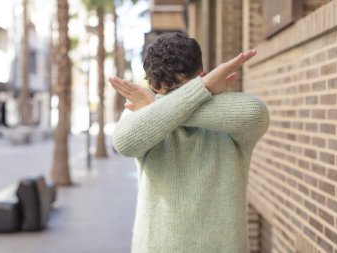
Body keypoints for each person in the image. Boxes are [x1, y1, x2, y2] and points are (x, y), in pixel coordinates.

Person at [109, 32, 269, 253]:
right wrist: (200, 91)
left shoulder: (149, 107)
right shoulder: (141, 113)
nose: (170, 100)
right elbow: (123, 143)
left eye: (181, 90)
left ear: (202, 76)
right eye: (162, 93)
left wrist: (157, 103)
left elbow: (256, 114)